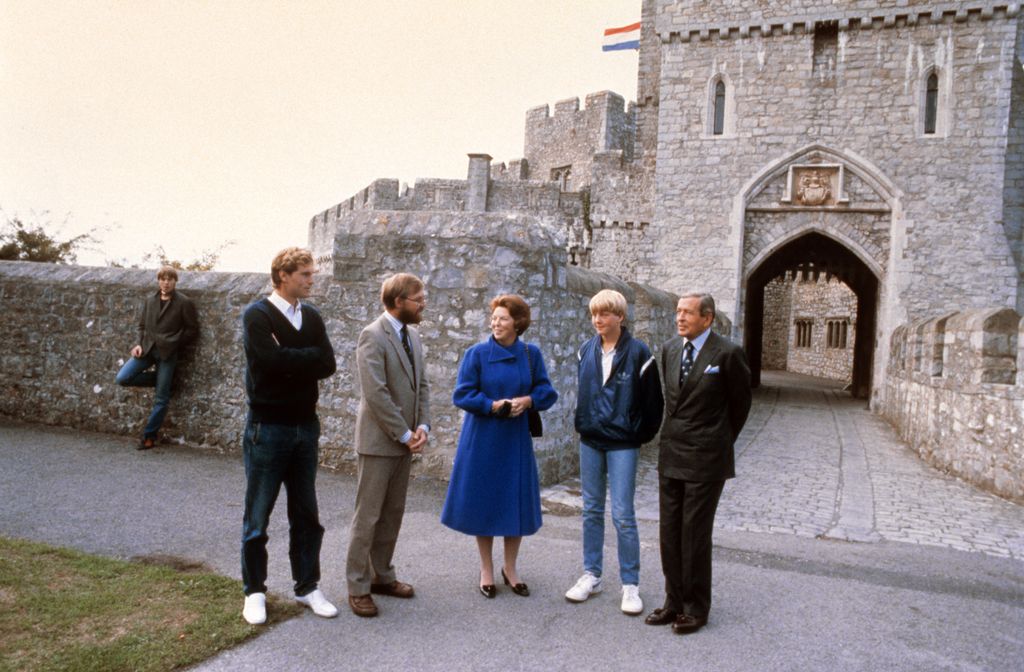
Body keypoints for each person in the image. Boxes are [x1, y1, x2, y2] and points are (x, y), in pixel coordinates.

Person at [239, 247, 338, 625]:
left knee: (306, 514)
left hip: (304, 426)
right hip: (268, 427)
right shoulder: (257, 315)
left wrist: (292, 356)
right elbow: (268, 362)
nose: (312, 280)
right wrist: (305, 357)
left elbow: (326, 363)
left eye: (312, 274)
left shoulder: (310, 315)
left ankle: (308, 587)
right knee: (257, 517)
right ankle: (255, 592)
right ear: (283, 276)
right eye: (306, 275)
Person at [645, 293, 751, 635]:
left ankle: (695, 607)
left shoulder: (728, 354)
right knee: (670, 532)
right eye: (677, 312)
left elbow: (740, 406)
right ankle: (673, 601)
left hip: (706, 457)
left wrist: (717, 441)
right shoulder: (670, 350)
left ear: (707, 318)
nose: (679, 318)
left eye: (687, 313)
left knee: (694, 534)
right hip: (672, 452)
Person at [441, 294, 558, 599]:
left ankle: (511, 568)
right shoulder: (476, 354)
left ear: (518, 323)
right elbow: (462, 394)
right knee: (484, 502)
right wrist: (491, 405)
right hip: (482, 437)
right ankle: (486, 570)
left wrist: (528, 400)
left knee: (513, 503)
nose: (495, 323)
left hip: (515, 440)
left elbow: (547, 391)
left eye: (502, 318)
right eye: (493, 318)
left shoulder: (531, 355)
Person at [565, 289, 663, 615]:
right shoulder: (584, 351)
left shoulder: (639, 353)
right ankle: (592, 575)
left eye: (604, 314)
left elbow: (654, 404)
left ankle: (630, 584)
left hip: (623, 443)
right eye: (594, 314)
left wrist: (638, 434)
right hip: (591, 439)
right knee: (591, 510)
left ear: (619, 316)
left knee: (622, 514)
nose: (597, 320)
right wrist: (584, 423)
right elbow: (584, 392)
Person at [346, 273, 431, 618]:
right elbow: (376, 393)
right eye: (417, 298)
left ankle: (382, 575)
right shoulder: (372, 335)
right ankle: (357, 586)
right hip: (379, 442)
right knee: (367, 517)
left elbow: (422, 385)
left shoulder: (413, 335)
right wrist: (403, 433)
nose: (423, 303)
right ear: (398, 302)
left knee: (392, 515)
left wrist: (422, 426)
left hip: (405, 442)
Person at [115, 266, 198, 450]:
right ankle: (166, 382)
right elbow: (141, 326)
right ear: (158, 280)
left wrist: (174, 342)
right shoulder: (149, 300)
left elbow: (192, 330)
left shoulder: (184, 302)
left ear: (175, 281)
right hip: (147, 350)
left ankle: (149, 437)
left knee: (161, 399)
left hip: (168, 353)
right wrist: (138, 344)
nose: (166, 282)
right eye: (163, 279)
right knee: (122, 378)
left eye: (170, 279)